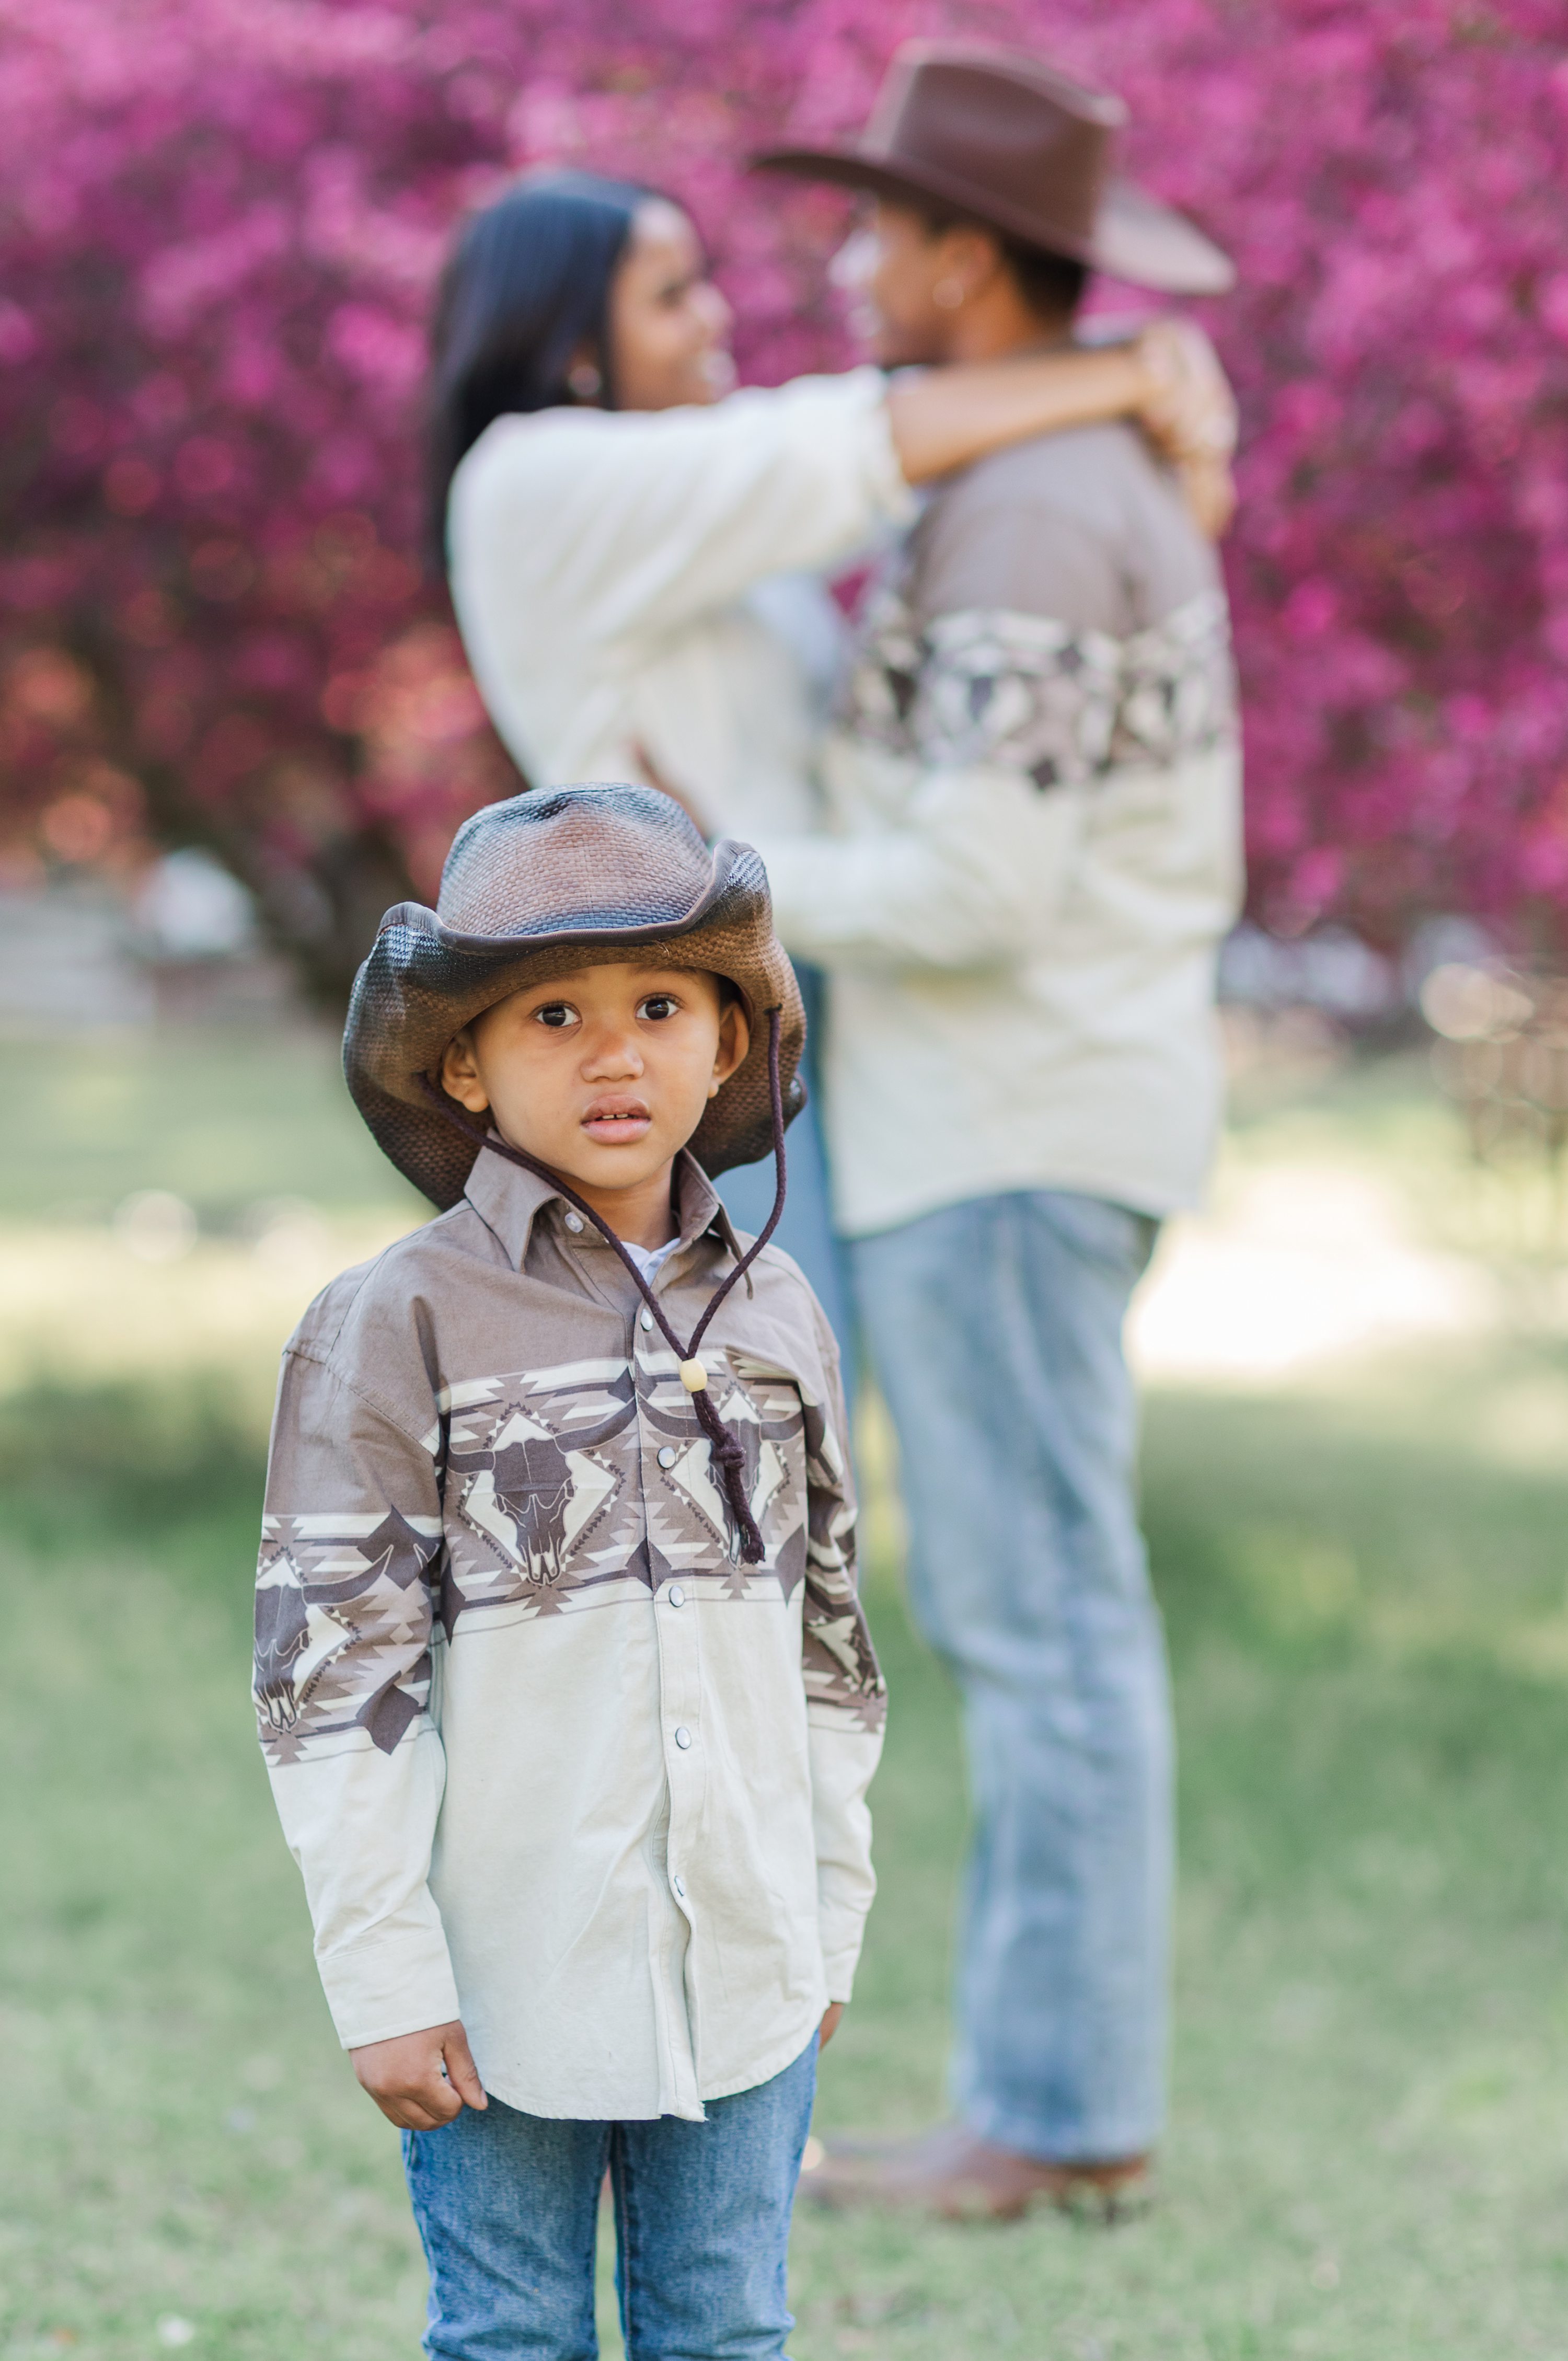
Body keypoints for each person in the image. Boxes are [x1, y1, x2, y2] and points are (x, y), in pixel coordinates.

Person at [741, 43, 1244, 2218]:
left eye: (877, 229)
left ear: (961, 257)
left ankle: (1051, 2110)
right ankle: (1054, 2096)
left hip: (1013, 1126)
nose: (849, 264)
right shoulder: (1050, 472)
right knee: (1037, 1609)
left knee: (1042, 1619)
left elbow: (977, 882)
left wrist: (708, 875)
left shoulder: (1036, 502)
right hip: (1015, 1114)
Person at [252, 781, 885, 2358]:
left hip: (746, 1960)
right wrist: (385, 1972)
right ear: (463, 1062)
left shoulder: (782, 1313)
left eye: (659, 1006)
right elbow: (332, 1685)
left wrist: (827, 1913)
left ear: (728, 1041)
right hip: (501, 1975)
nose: (615, 1055)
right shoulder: (396, 1321)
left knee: (726, 2329)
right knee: (510, 2333)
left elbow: (829, 1640)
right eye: (554, 1014)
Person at [429, 164, 1237, 1362]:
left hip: (798, 995)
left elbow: (945, 522)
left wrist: (1152, 452)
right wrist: (1125, 373)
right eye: (672, 296)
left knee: (811, 1418)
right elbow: (855, 448)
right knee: (753, 1420)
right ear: (577, 342)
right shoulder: (530, 483)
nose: (716, 316)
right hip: (682, 1025)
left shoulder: (695, 520)